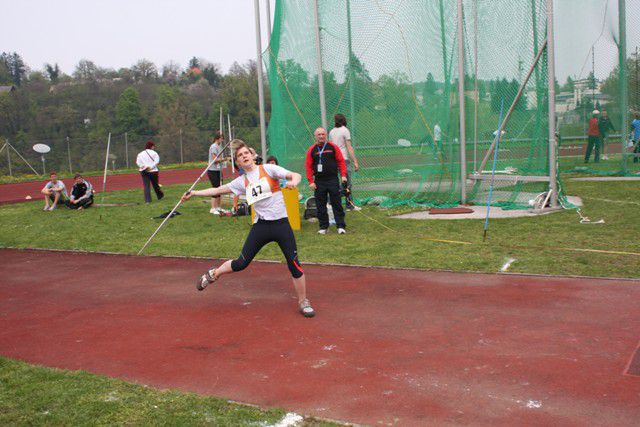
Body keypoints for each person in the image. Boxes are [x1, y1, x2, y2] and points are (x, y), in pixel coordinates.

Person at [181, 140, 315, 318]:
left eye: (246, 153)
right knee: (241, 263)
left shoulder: (268, 169)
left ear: (252, 156)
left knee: (295, 264)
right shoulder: (240, 182)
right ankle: (214, 273)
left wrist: (293, 182)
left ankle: (303, 302)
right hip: (261, 227)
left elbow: (295, 175)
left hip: (281, 225)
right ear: (238, 162)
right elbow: (217, 189)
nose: (244, 156)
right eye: (240, 156)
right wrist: (195, 193)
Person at [305, 127, 348, 234]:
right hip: (319, 181)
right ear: (315, 136)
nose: (321, 136)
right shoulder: (312, 150)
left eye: (323, 134)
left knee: (336, 203)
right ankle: (324, 227)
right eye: (319, 134)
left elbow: (341, 162)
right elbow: (308, 166)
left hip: (332, 179)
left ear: (326, 135)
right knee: (320, 205)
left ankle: (340, 226)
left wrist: (343, 175)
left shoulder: (333, 147)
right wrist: (311, 181)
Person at [328, 114, 360, 211]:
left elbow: (331, 147)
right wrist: (355, 161)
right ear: (344, 120)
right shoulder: (345, 130)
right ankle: (331, 201)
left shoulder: (331, 132)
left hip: (334, 160)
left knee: (339, 183)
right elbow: (349, 147)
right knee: (347, 183)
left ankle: (345, 203)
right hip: (343, 160)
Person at [207, 131, 228, 215]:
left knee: (220, 189)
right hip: (212, 171)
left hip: (218, 170)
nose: (222, 140)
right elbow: (215, 160)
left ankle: (218, 207)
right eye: (221, 138)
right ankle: (213, 208)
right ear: (217, 138)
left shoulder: (219, 147)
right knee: (215, 189)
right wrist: (225, 159)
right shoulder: (213, 147)